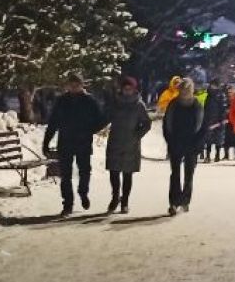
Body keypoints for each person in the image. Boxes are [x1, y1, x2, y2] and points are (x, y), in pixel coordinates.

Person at [41, 74, 106, 215]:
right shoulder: (61, 101)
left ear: (82, 85)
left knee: (84, 172)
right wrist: (46, 141)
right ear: (67, 86)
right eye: (71, 85)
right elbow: (53, 123)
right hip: (66, 142)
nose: (74, 87)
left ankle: (83, 193)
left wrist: (89, 130)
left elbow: (101, 120)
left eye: (77, 84)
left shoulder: (89, 101)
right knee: (65, 175)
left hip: (83, 142)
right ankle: (67, 204)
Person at [102, 76, 152, 213]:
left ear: (134, 89)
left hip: (131, 143)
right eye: (125, 88)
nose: (127, 91)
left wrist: (137, 135)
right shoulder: (115, 103)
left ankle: (125, 202)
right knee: (113, 171)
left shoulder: (139, 105)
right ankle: (115, 197)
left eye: (130, 88)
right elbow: (106, 117)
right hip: (115, 141)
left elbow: (147, 124)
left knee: (127, 174)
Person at [162, 84, 204, 215]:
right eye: (182, 89)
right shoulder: (173, 104)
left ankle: (185, 200)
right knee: (175, 174)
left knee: (189, 174)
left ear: (191, 90)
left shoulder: (197, 105)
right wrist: (170, 140)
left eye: (187, 89)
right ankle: (174, 202)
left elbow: (202, 126)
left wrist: (198, 143)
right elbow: (167, 124)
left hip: (192, 144)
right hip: (176, 142)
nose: (185, 92)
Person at [202, 84, 230, 163]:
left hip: (217, 121)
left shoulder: (220, 96)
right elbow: (206, 108)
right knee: (209, 140)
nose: (211, 87)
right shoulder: (210, 96)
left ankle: (216, 155)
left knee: (217, 139)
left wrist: (221, 120)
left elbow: (223, 109)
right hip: (210, 120)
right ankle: (208, 156)